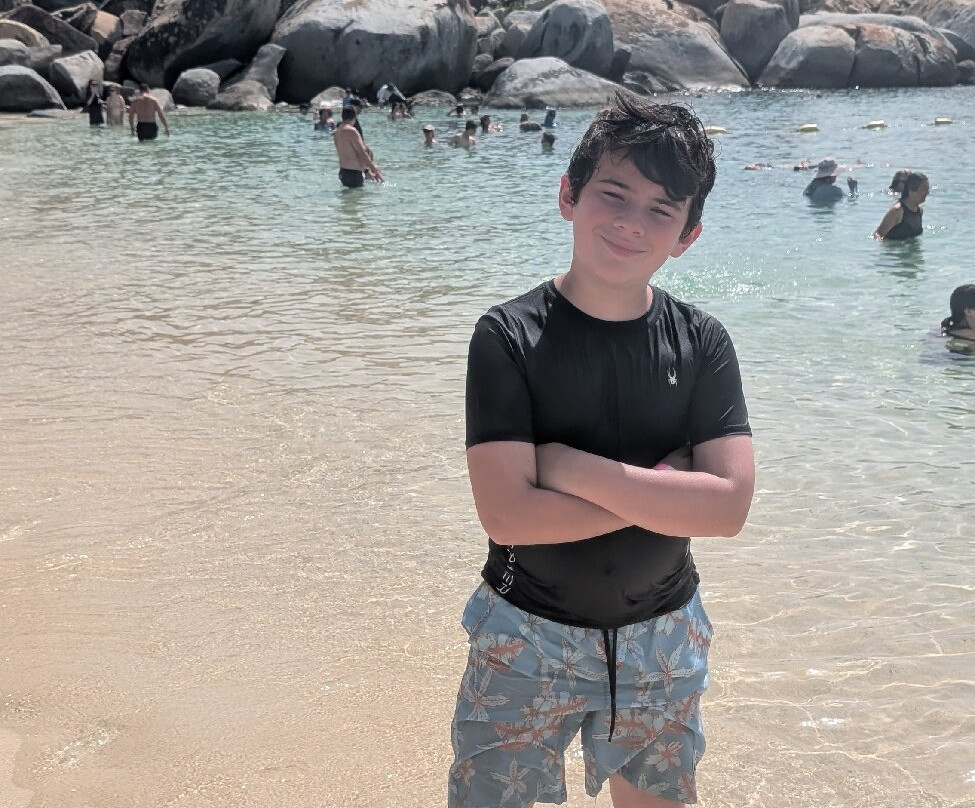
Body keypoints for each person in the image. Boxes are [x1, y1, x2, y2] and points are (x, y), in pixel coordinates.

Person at [448, 91, 755, 808]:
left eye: (661, 210)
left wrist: (568, 468)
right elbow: (509, 517)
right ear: (568, 195)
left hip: (663, 636)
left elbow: (728, 510)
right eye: (612, 194)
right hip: (523, 634)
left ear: (687, 236)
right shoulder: (507, 336)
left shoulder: (702, 342)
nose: (630, 223)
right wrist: (663, 492)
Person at [333, 104, 383, 188]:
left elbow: (351, 155)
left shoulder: (337, 132)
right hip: (354, 174)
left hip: (343, 173)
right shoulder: (352, 131)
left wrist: (367, 171)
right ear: (354, 117)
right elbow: (362, 153)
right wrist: (374, 169)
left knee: (348, 196)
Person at [874, 171, 928, 240]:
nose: (927, 193)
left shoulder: (919, 211)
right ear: (911, 191)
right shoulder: (897, 211)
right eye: (924, 190)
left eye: (927, 190)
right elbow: (878, 234)